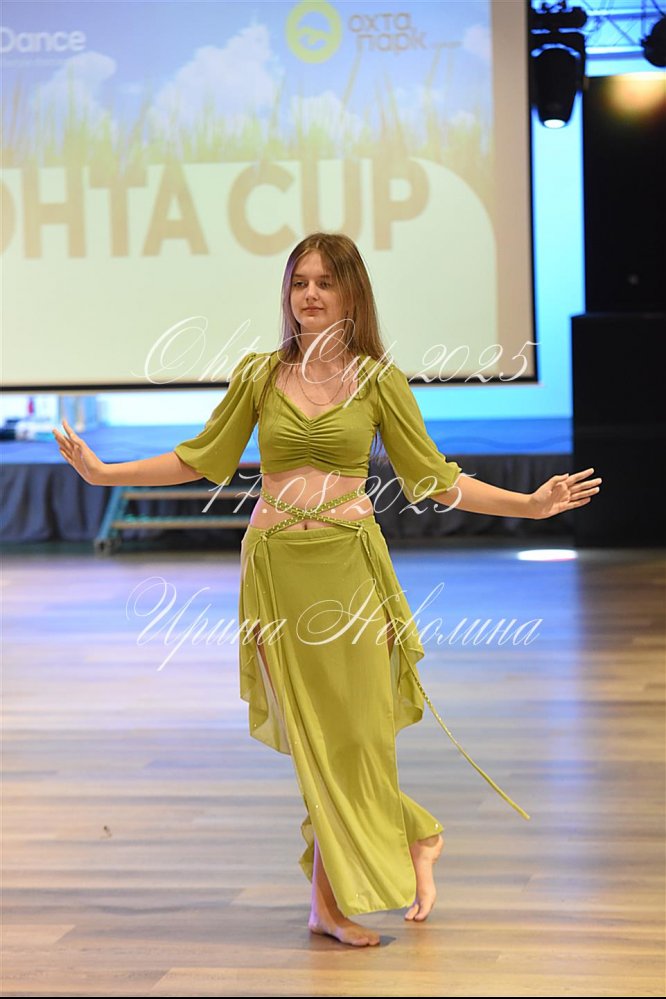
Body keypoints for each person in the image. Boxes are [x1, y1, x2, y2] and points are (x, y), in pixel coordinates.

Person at [53, 231, 602, 948]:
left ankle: (400, 843)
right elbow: (202, 457)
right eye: (298, 281)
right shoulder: (259, 375)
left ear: (351, 293)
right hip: (276, 571)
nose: (309, 294)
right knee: (317, 738)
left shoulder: (378, 381)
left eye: (324, 281)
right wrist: (105, 473)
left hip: (350, 570)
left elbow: (434, 477)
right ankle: (342, 895)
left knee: (358, 732)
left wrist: (529, 506)